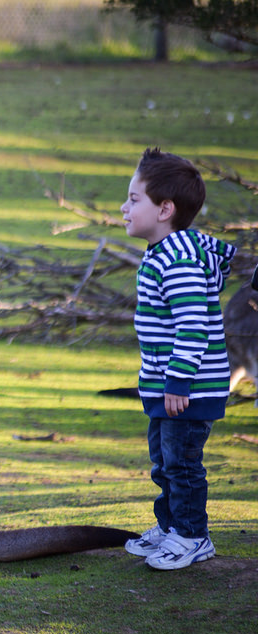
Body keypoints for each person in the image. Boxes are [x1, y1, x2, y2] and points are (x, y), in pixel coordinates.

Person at [120, 148, 236, 570]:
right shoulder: (164, 252)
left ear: (165, 209)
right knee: (163, 461)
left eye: (134, 199)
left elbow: (194, 327)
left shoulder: (180, 262)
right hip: (165, 387)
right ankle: (171, 527)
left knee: (181, 463)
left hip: (187, 389)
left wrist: (177, 382)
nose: (124, 207)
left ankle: (192, 536)